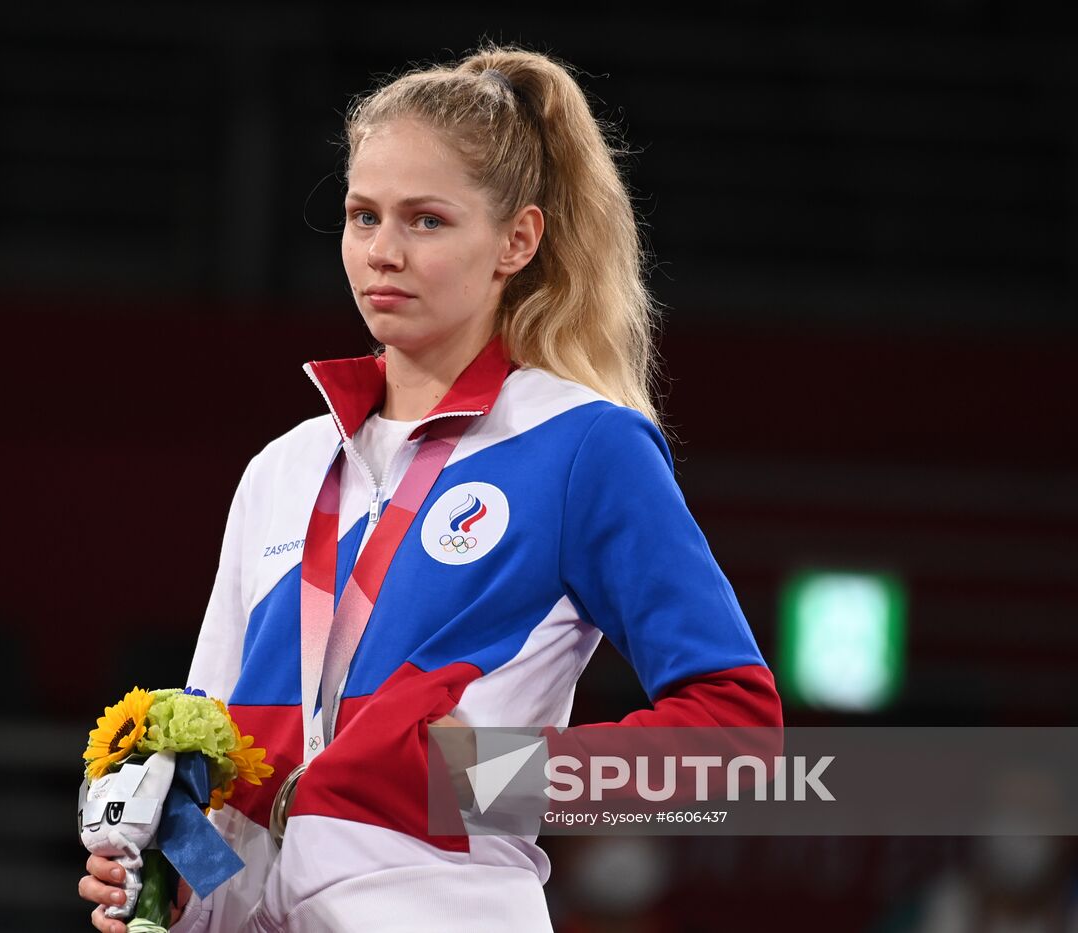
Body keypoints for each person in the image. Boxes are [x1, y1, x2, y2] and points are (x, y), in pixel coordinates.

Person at [79, 40, 781, 932]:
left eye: (427, 221)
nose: (383, 252)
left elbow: (738, 736)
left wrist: (498, 771)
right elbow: (220, 769)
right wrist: (164, 883)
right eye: (362, 216)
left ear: (517, 240)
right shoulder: (283, 471)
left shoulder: (580, 448)